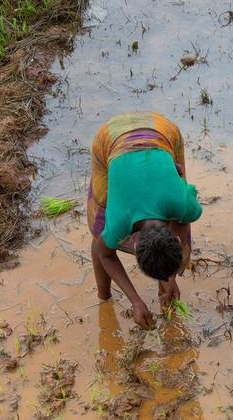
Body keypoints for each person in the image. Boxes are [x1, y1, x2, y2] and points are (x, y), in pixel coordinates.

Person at [87, 112, 202, 329]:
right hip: (111, 138)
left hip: (162, 131)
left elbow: (185, 214)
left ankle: (165, 288)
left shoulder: (180, 204)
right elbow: (105, 252)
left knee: (180, 205)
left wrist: (170, 278)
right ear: (136, 244)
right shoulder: (119, 219)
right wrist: (135, 301)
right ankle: (104, 296)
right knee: (99, 225)